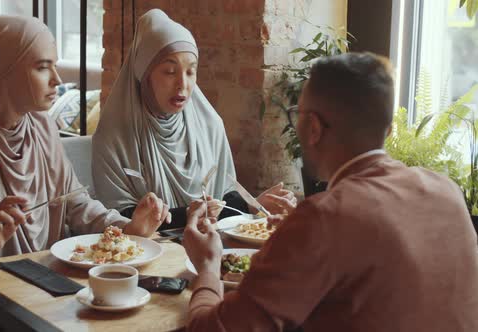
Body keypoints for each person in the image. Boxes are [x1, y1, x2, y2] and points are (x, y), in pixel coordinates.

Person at [183, 52, 478, 331]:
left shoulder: (324, 217)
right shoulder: (446, 191)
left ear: (312, 127)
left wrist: (208, 264)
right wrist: (293, 239)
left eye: (297, 113)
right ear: (387, 132)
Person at [0, 14, 169, 331]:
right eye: (42, 66)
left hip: (37, 287)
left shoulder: (43, 127)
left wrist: (127, 226)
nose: (57, 79)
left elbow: (75, 203)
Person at [92, 9, 296, 229]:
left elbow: (224, 198)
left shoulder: (210, 127)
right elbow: (120, 220)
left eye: (190, 72)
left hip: (212, 246)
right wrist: (189, 215)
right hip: (145, 254)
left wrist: (252, 205)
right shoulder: (114, 137)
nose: (182, 84)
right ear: (144, 75)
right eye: (170, 71)